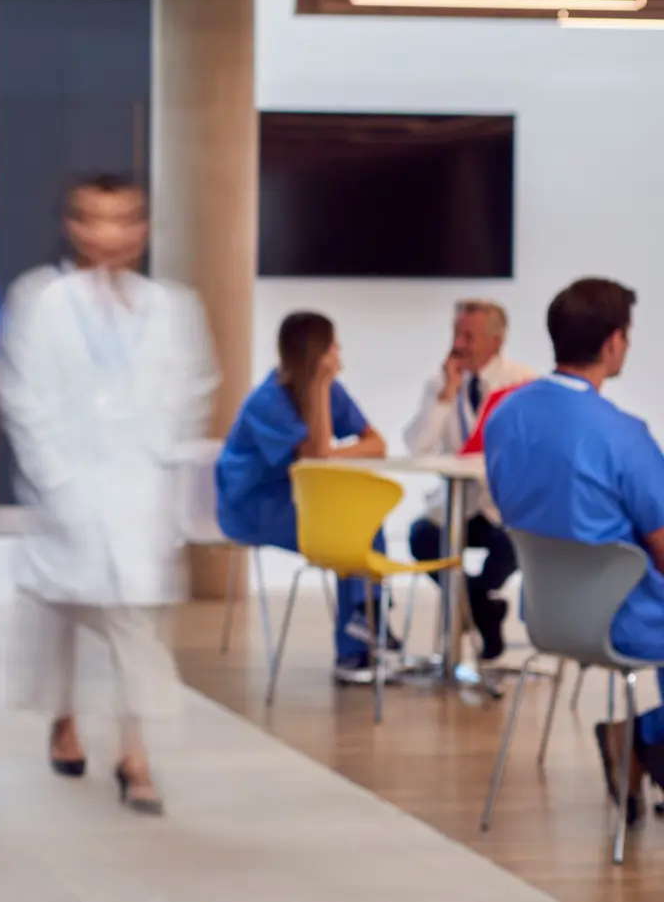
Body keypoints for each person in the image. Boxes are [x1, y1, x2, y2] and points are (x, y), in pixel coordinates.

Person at [0, 174, 216, 817]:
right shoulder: (43, 300)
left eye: (126, 220)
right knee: (63, 617)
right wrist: (58, 480)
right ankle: (63, 718)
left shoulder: (172, 305)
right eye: (96, 219)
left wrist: (164, 470)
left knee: (135, 628)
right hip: (69, 489)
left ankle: (134, 756)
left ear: (143, 228)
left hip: (139, 494)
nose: (112, 235)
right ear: (74, 226)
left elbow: (191, 391)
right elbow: (23, 397)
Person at [484, 278, 664, 820]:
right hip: (620, 620)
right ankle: (640, 740)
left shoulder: (504, 416)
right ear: (612, 343)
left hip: (547, 616)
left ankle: (644, 751)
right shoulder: (622, 435)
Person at [215, 312, 391, 685]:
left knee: (366, 525)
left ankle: (364, 624)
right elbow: (314, 452)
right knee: (349, 532)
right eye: (334, 346)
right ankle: (359, 634)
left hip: (292, 501)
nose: (340, 354)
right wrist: (321, 392)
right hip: (250, 506)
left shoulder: (330, 391)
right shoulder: (269, 400)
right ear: (319, 352)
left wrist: (331, 449)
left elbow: (376, 445)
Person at [402, 299, 536, 662]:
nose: (459, 344)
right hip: (455, 506)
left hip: (498, 506)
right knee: (423, 538)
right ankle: (483, 610)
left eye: (469, 336)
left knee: (512, 545)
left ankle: (472, 601)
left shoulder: (523, 383)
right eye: (456, 334)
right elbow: (418, 446)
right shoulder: (441, 384)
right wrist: (446, 396)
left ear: (496, 340)